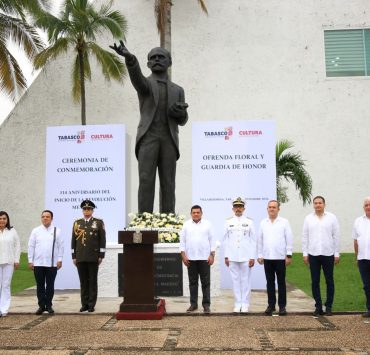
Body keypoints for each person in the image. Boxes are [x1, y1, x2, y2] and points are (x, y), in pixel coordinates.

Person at [110, 41, 188, 214]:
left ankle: (168, 220)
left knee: (168, 182)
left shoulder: (178, 90)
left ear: (169, 62)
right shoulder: (145, 85)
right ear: (148, 64)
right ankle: (145, 220)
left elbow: (183, 120)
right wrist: (130, 59)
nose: (157, 60)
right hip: (148, 137)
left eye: (161, 57)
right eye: (153, 58)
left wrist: (178, 113)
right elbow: (137, 79)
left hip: (169, 139)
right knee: (146, 180)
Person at [302, 195, 340, 316]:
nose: (318, 205)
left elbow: (336, 236)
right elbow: (305, 236)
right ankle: (318, 306)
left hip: (328, 253)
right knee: (315, 281)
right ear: (313, 205)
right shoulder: (308, 218)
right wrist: (305, 253)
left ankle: (328, 306)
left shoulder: (332, 218)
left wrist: (337, 253)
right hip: (313, 254)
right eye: (316, 203)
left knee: (329, 281)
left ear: (324, 204)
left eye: (320, 203)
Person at [257, 200, 293, 316]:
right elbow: (260, 240)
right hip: (267, 258)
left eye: (274, 207)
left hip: (280, 258)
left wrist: (289, 255)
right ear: (267, 209)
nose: (271, 209)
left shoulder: (284, 222)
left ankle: (282, 307)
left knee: (281, 282)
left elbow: (289, 239)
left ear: (278, 209)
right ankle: (271, 305)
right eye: (270, 207)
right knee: (270, 283)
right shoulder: (263, 223)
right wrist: (260, 255)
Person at [180, 205, 216, 314]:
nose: (196, 214)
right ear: (191, 214)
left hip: (204, 258)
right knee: (193, 283)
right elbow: (182, 241)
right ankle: (193, 304)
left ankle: (206, 305)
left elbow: (212, 240)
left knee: (205, 283)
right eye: (194, 212)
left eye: (198, 212)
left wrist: (212, 255)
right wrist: (183, 256)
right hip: (190, 258)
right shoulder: (186, 225)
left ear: (201, 213)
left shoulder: (208, 224)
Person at [71, 200, 106, 312]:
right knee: (83, 281)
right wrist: (74, 256)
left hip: (93, 256)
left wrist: (101, 255)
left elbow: (102, 240)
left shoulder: (98, 222)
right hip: (80, 256)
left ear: (92, 210)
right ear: (82, 210)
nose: (87, 211)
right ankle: (84, 304)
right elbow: (73, 240)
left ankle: (91, 304)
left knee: (92, 281)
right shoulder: (77, 223)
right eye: (85, 209)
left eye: (89, 209)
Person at [223, 197, 256, 313]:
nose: (238, 209)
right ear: (233, 209)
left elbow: (253, 240)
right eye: (236, 207)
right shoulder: (228, 222)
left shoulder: (249, 222)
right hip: (232, 256)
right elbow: (225, 240)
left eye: (240, 207)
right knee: (235, 280)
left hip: (246, 256)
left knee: (246, 280)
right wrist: (226, 256)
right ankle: (237, 303)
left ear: (244, 208)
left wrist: (252, 257)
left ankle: (245, 304)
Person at [28, 210, 64, 315]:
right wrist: (30, 260)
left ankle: (48, 305)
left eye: (47, 217)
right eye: (43, 216)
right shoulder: (36, 231)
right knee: (40, 285)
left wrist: (60, 259)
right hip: (38, 263)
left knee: (50, 285)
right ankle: (41, 306)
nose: (45, 218)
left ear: (51, 218)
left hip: (52, 263)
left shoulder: (57, 230)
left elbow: (61, 246)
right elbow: (31, 246)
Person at [0, 211, 20, 317]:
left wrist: (16, 260)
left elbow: (17, 246)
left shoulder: (12, 231)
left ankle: (4, 309)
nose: (2, 220)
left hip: (9, 262)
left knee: (6, 285)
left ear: (7, 220)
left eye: (4, 218)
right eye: (0, 218)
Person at [353, 196, 370, 317]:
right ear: (363, 207)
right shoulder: (358, 221)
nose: (368, 207)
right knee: (367, 286)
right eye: (366, 205)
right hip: (363, 258)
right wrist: (357, 257)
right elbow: (356, 241)